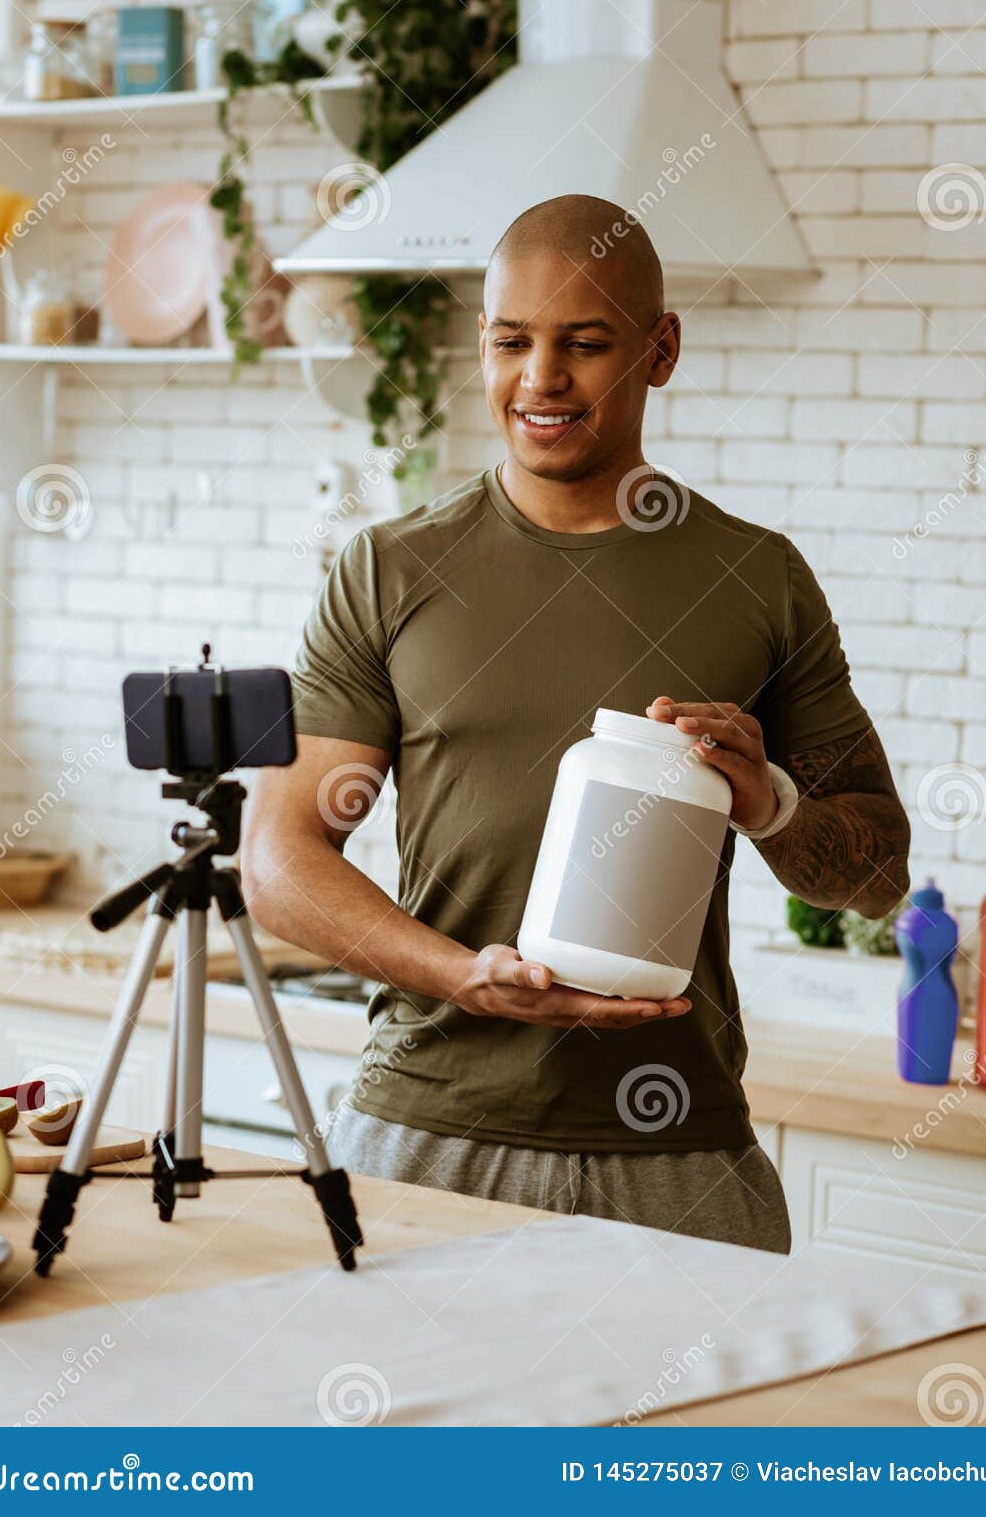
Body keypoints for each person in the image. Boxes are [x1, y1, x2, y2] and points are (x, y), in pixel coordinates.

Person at [243, 194, 910, 1255]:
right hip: (426, 1128)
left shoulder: (756, 579)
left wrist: (766, 799)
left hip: (676, 1150)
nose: (540, 379)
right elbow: (276, 859)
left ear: (660, 350)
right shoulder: (389, 570)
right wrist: (460, 975)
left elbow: (874, 873)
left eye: (584, 344)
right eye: (512, 341)